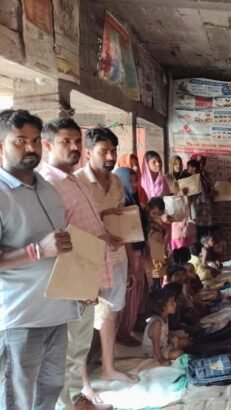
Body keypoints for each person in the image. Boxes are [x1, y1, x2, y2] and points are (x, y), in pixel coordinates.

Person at [0, 110, 79, 409]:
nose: (30, 147)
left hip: (57, 311)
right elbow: (44, 249)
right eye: (20, 141)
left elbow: (59, 246)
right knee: (17, 398)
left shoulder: (48, 189)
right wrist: (36, 251)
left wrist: (79, 285)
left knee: (50, 389)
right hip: (19, 316)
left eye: (35, 140)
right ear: (1, 146)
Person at [40, 118, 120, 408]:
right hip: (71, 282)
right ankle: (66, 404)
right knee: (66, 352)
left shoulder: (74, 180)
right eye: (66, 141)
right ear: (47, 145)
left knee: (78, 350)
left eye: (77, 141)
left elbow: (83, 225)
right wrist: (80, 284)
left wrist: (105, 236)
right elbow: (56, 239)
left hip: (88, 278)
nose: (74, 147)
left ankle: (76, 401)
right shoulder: (47, 185)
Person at [75, 127, 139, 385]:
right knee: (82, 323)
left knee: (111, 314)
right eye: (104, 151)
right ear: (88, 152)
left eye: (113, 150)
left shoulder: (116, 183)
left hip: (116, 258)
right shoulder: (77, 183)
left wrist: (131, 264)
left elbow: (122, 225)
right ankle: (83, 385)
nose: (111, 156)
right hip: (88, 260)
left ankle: (108, 368)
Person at [114, 167, 149, 349]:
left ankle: (133, 323)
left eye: (136, 181)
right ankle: (123, 332)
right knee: (131, 294)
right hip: (131, 253)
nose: (135, 185)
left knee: (138, 292)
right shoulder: (123, 205)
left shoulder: (134, 202)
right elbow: (126, 234)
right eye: (131, 181)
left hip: (139, 251)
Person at [143, 288, 188, 366]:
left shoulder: (165, 317)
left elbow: (165, 334)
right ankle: (164, 356)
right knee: (179, 353)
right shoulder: (157, 323)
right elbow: (155, 344)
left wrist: (171, 339)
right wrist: (161, 360)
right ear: (163, 307)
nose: (175, 304)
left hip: (164, 345)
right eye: (171, 302)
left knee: (186, 341)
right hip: (154, 352)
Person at [146, 197, 168, 291]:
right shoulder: (148, 224)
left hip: (158, 258)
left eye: (159, 214)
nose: (156, 216)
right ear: (148, 209)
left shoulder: (159, 224)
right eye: (154, 213)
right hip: (152, 259)